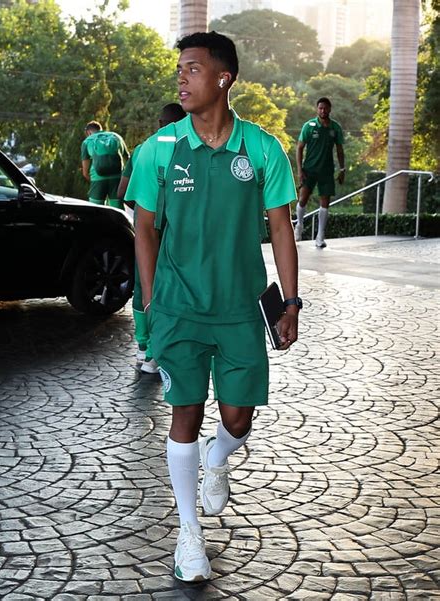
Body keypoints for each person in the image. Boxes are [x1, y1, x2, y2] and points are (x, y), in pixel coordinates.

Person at [125, 31, 300, 582]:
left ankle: (217, 460)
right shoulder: (160, 148)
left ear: (223, 78)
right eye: (180, 69)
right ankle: (189, 537)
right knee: (185, 413)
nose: (182, 77)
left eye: (193, 69)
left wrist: (290, 302)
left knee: (237, 417)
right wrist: (151, 301)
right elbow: (146, 229)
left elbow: (280, 227)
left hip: (239, 308)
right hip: (178, 306)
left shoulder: (263, 149)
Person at [117, 103, 186, 374]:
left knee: (142, 285)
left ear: (158, 123)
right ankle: (158, 353)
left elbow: (123, 191)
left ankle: (144, 348)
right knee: (168, 289)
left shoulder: (142, 149)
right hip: (173, 235)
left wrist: (146, 216)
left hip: (146, 233)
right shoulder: (189, 149)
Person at [294, 97, 345, 248]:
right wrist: (299, 169)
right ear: (317, 109)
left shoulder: (335, 128)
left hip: (327, 170)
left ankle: (320, 236)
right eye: (320, 108)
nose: (323, 111)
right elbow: (299, 148)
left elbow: (340, 150)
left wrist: (342, 169)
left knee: (325, 203)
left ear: (330, 109)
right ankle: (299, 226)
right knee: (303, 199)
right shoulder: (309, 126)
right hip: (309, 169)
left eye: (325, 108)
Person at [81, 121, 130, 209]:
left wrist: (93, 181)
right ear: (100, 129)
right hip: (117, 179)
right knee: (117, 209)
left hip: (97, 180)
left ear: (88, 132)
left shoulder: (87, 141)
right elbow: (128, 159)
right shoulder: (116, 137)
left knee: (96, 210)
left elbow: (85, 172)